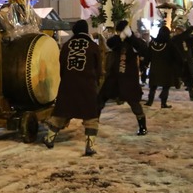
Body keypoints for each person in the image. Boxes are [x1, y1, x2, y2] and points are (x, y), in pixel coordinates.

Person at [44, 19, 101, 156]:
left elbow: (62, 66)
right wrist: (96, 82)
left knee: (61, 113)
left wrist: (66, 79)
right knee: (91, 116)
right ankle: (89, 146)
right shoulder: (93, 46)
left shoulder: (66, 45)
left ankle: (49, 139)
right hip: (87, 86)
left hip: (68, 85)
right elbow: (98, 68)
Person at [98, 19, 150, 136]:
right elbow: (110, 43)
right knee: (101, 99)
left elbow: (143, 49)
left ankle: (142, 126)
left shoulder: (134, 42)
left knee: (134, 102)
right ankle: (93, 122)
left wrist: (131, 37)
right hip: (114, 76)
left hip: (128, 78)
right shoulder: (117, 41)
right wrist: (119, 37)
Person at [145, 25, 183, 108]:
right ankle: (163, 103)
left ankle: (149, 101)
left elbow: (148, 56)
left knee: (153, 86)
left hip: (154, 68)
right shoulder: (170, 44)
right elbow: (178, 56)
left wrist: (145, 64)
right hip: (166, 69)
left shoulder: (152, 43)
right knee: (166, 86)